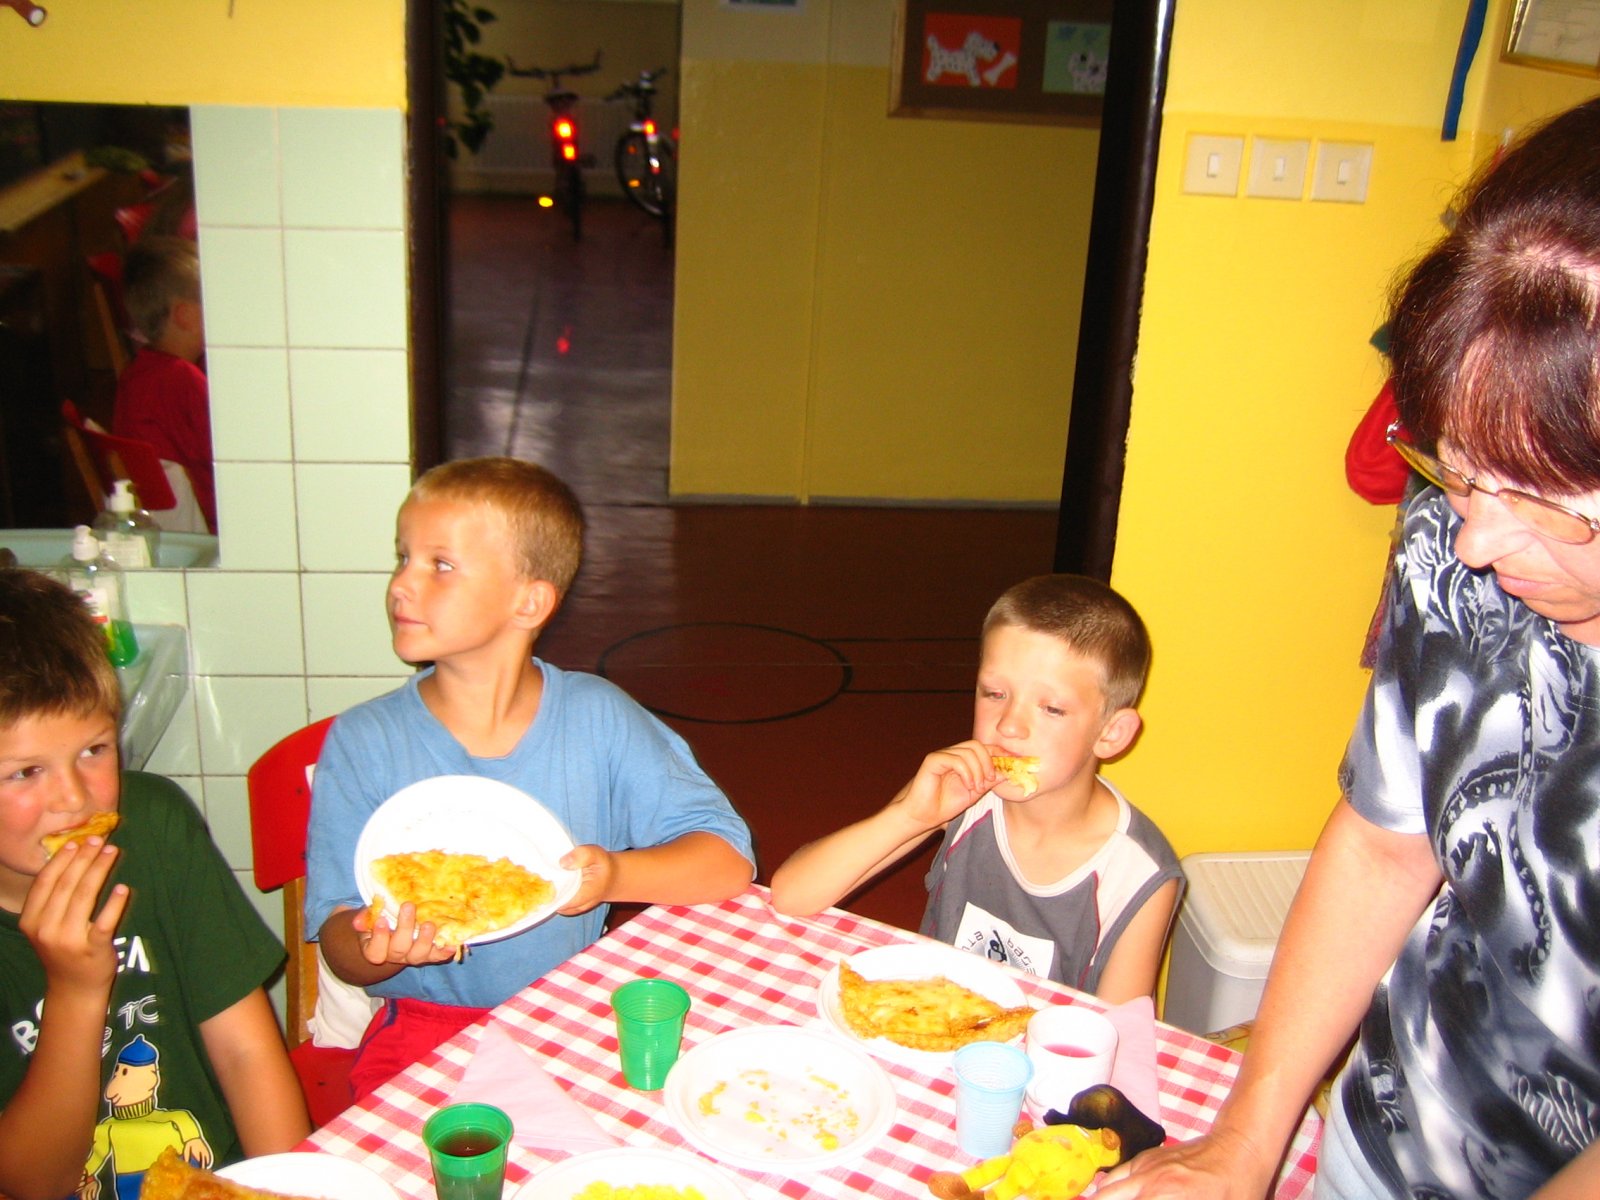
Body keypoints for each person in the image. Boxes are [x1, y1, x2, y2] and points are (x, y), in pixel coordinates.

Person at [1096, 98, 1600, 1200]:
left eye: (1547, 502)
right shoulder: (1461, 536)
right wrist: (1249, 1137)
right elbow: (1385, 842)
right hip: (1385, 1133)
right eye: (1457, 471)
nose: (1473, 544)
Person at [303, 457, 755, 1099]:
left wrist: (614, 876)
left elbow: (727, 861)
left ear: (530, 601)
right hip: (423, 1029)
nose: (401, 584)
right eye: (402, 558)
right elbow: (337, 942)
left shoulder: (597, 719)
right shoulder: (365, 742)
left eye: (440, 565)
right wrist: (379, 946)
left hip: (570, 1013)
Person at [0, 570, 308, 1200]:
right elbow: (33, 1182)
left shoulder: (155, 828)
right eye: (25, 772)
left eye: (94, 750)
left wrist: (287, 1188)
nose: (74, 799)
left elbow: (247, 1055)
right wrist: (76, 991)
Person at [770, 573, 1183, 1004]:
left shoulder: (1136, 873)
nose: (1009, 725)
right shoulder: (965, 793)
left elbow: (1119, 1031)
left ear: (1111, 734)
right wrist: (910, 816)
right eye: (995, 693)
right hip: (931, 1017)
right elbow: (792, 895)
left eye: (1051, 708)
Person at [113, 235, 215, 534]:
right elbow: (226, 456)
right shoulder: (183, 379)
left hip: (160, 524)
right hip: (206, 524)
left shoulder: (135, 374)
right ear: (184, 315)